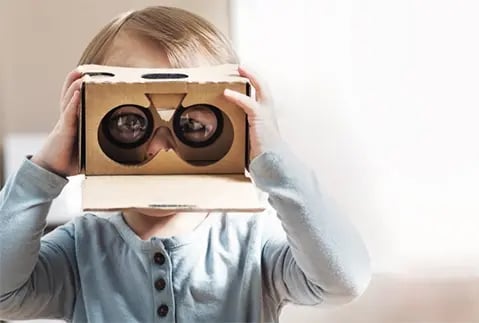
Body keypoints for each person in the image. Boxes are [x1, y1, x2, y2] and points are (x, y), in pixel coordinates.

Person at [0, 6, 371, 322]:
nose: (162, 145)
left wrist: (273, 158)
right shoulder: (79, 249)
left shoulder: (253, 246)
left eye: (193, 124)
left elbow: (344, 280)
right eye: (131, 122)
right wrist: (44, 170)